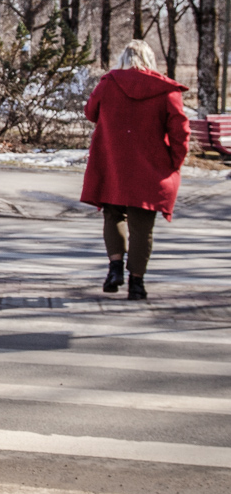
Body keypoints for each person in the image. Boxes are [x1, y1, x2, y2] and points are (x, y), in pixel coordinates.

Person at [80, 39, 190, 300]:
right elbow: (180, 131)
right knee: (143, 228)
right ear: (150, 60)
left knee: (113, 215)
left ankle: (115, 268)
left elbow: (90, 112)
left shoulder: (108, 84)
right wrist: (174, 161)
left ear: (123, 59)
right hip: (151, 168)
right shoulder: (166, 90)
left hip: (113, 164)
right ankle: (137, 283)